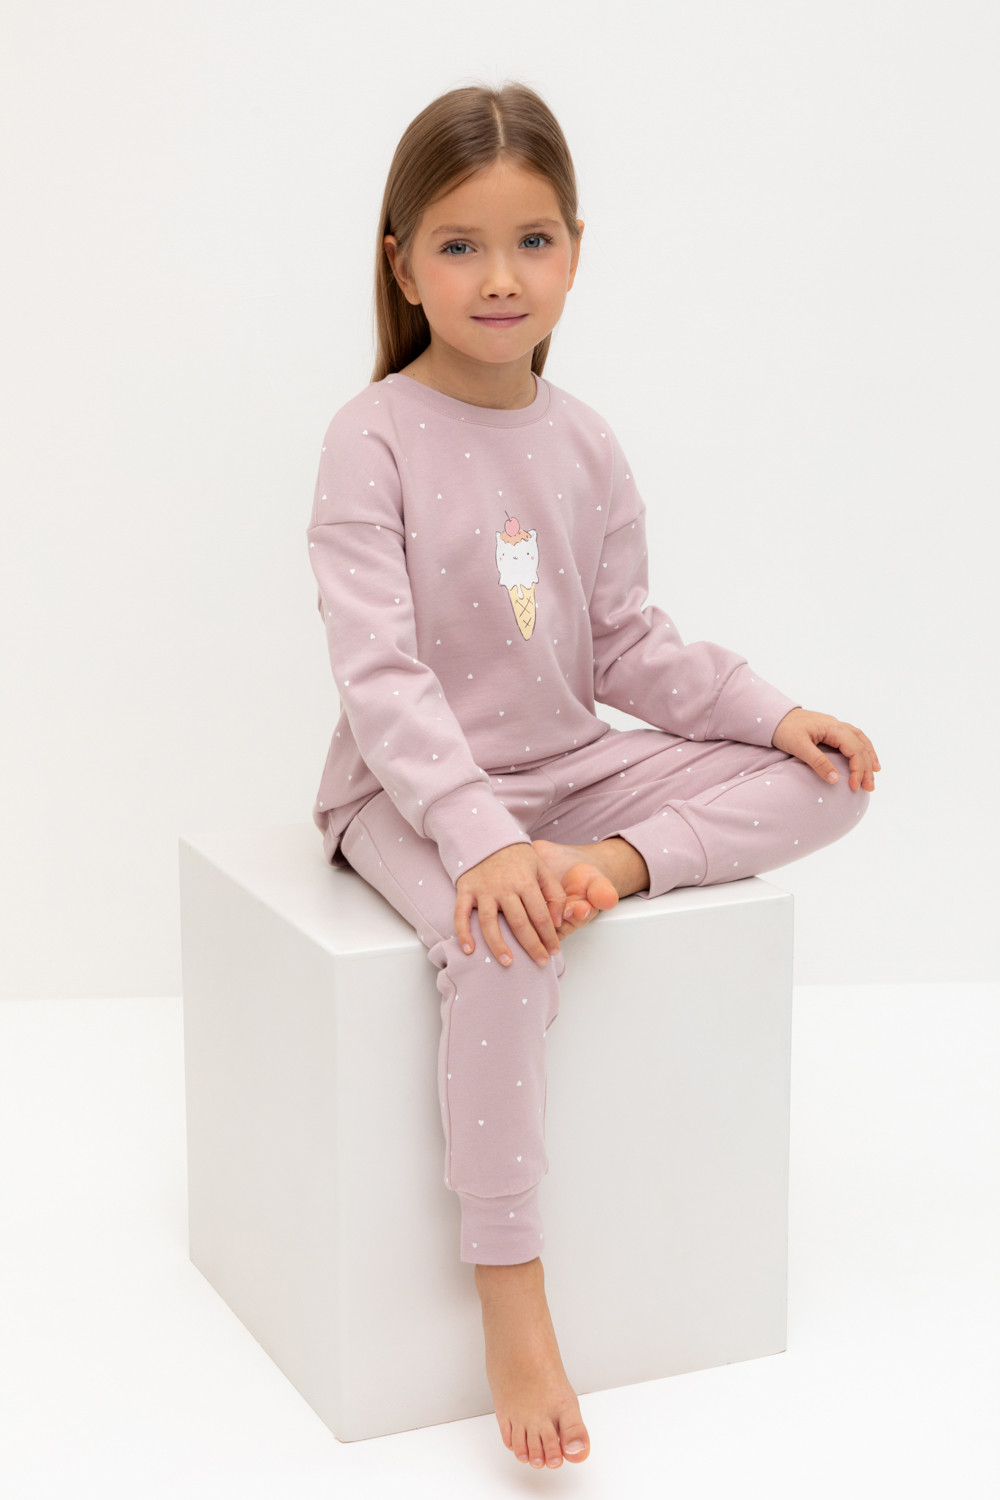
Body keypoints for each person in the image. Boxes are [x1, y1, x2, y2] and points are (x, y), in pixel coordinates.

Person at [305, 80, 879, 1472]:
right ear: (403, 266)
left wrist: (772, 713)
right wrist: (479, 839)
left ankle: (610, 871)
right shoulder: (371, 436)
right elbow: (381, 674)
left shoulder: (586, 441)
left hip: (571, 780)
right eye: (459, 245)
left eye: (533, 241)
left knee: (829, 784)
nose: (500, 277)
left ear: (575, 251)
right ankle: (513, 1288)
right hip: (407, 794)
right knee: (500, 940)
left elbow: (626, 643)